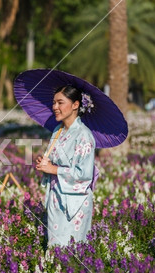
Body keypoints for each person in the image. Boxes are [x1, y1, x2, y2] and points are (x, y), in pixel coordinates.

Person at [35, 85, 96, 246]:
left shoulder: (84, 135)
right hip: (56, 197)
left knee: (69, 249)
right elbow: (54, 161)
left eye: (60, 103)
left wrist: (53, 169)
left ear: (75, 105)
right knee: (54, 247)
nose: (55, 107)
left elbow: (83, 175)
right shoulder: (58, 130)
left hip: (74, 203)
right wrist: (45, 164)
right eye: (54, 103)